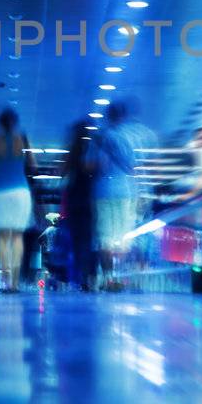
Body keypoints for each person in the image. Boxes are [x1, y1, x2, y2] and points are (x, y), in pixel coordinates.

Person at [0, 106, 37, 292]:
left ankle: (6, 282)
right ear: (15, 122)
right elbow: (33, 165)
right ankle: (15, 281)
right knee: (18, 236)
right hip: (21, 192)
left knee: (3, 237)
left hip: (0, 193)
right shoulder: (24, 138)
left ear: (0, 123)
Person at [93, 100, 142, 290]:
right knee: (123, 237)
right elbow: (133, 167)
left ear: (108, 116)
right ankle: (118, 276)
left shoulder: (100, 137)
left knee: (104, 236)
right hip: (125, 192)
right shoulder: (129, 137)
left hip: (104, 191)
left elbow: (96, 165)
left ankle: (108, 277)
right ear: (124, 116)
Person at [61, 119, 99, 290]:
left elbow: (63, 173)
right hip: (89, 199)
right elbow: (96, 170)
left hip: (74, 199)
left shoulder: (71, 150)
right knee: (89, 240)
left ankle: (81, 277)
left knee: (77, 241)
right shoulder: (92, 149)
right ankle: (91, 276)